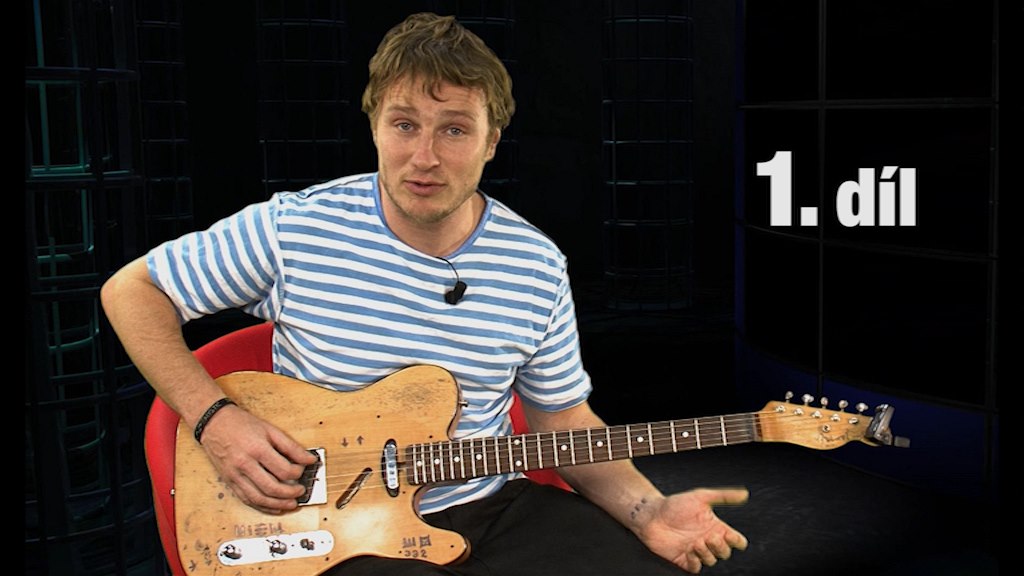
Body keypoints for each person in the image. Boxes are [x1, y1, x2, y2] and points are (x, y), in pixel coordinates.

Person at [101, 12, 749, 575]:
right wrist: (215, 418)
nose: (425, 157)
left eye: (455, 129)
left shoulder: (535, 265)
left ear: (492, 141)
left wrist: (648, 511)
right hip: (330, 522)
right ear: (374, 127)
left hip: (491, 509)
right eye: (405, 124)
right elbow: (131, 291)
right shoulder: (297, 228)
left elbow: (562, 421)